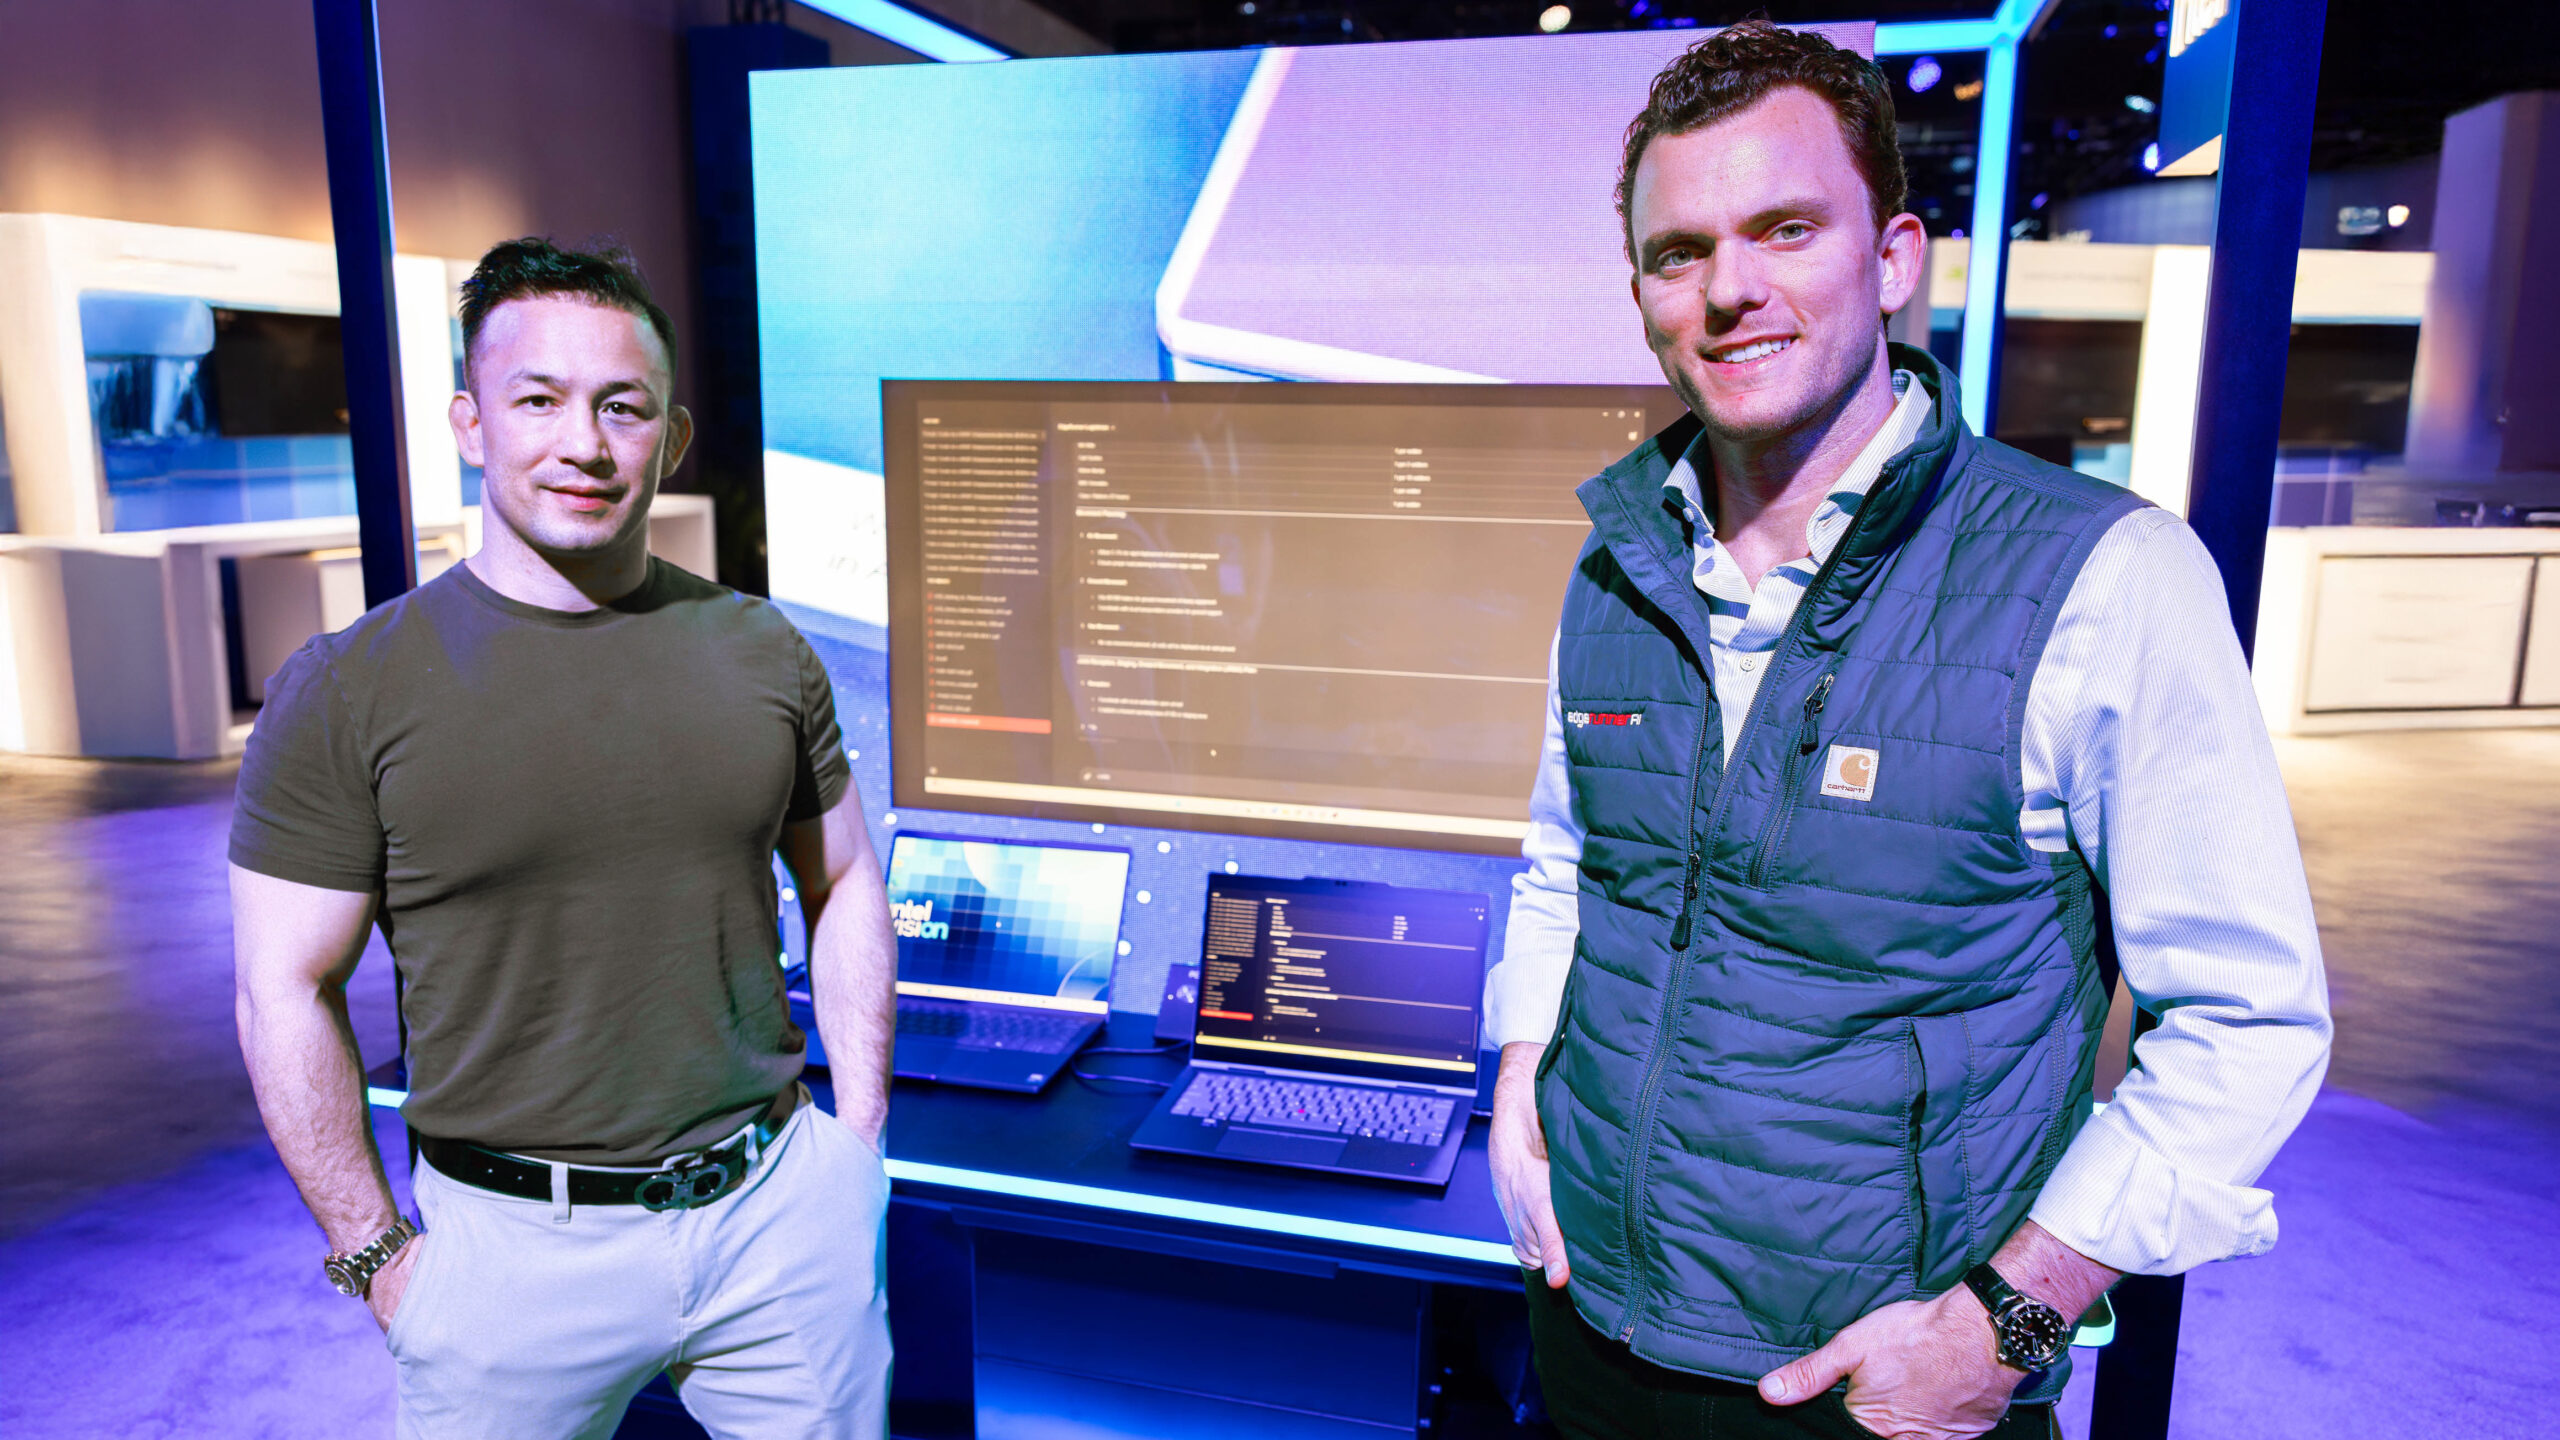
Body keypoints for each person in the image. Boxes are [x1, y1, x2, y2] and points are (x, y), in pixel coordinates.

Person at [1483, 24, 2333, 1440]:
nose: (1730, 289)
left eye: (1785, 228)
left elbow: (2251, 1019)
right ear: (1639, 294)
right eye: (1679, 251)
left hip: (1875, 1387)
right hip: (1588, 1324)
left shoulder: (2100, 576)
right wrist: (1522, 1090)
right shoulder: (1619, 558)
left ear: (1892, 259)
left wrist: (2010, 1320)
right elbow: (1572, 862)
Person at [230, 238, 897, 1440]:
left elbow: (843, 878)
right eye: (537, 400)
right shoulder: (346, 688)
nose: (583, 444)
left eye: (621, 407)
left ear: (671, 437)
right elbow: (284, 986)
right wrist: (375, 1256)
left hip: (776, 1221)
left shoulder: (761, 649)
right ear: (471, 423)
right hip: (508, 1256)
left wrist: (855, 1150)